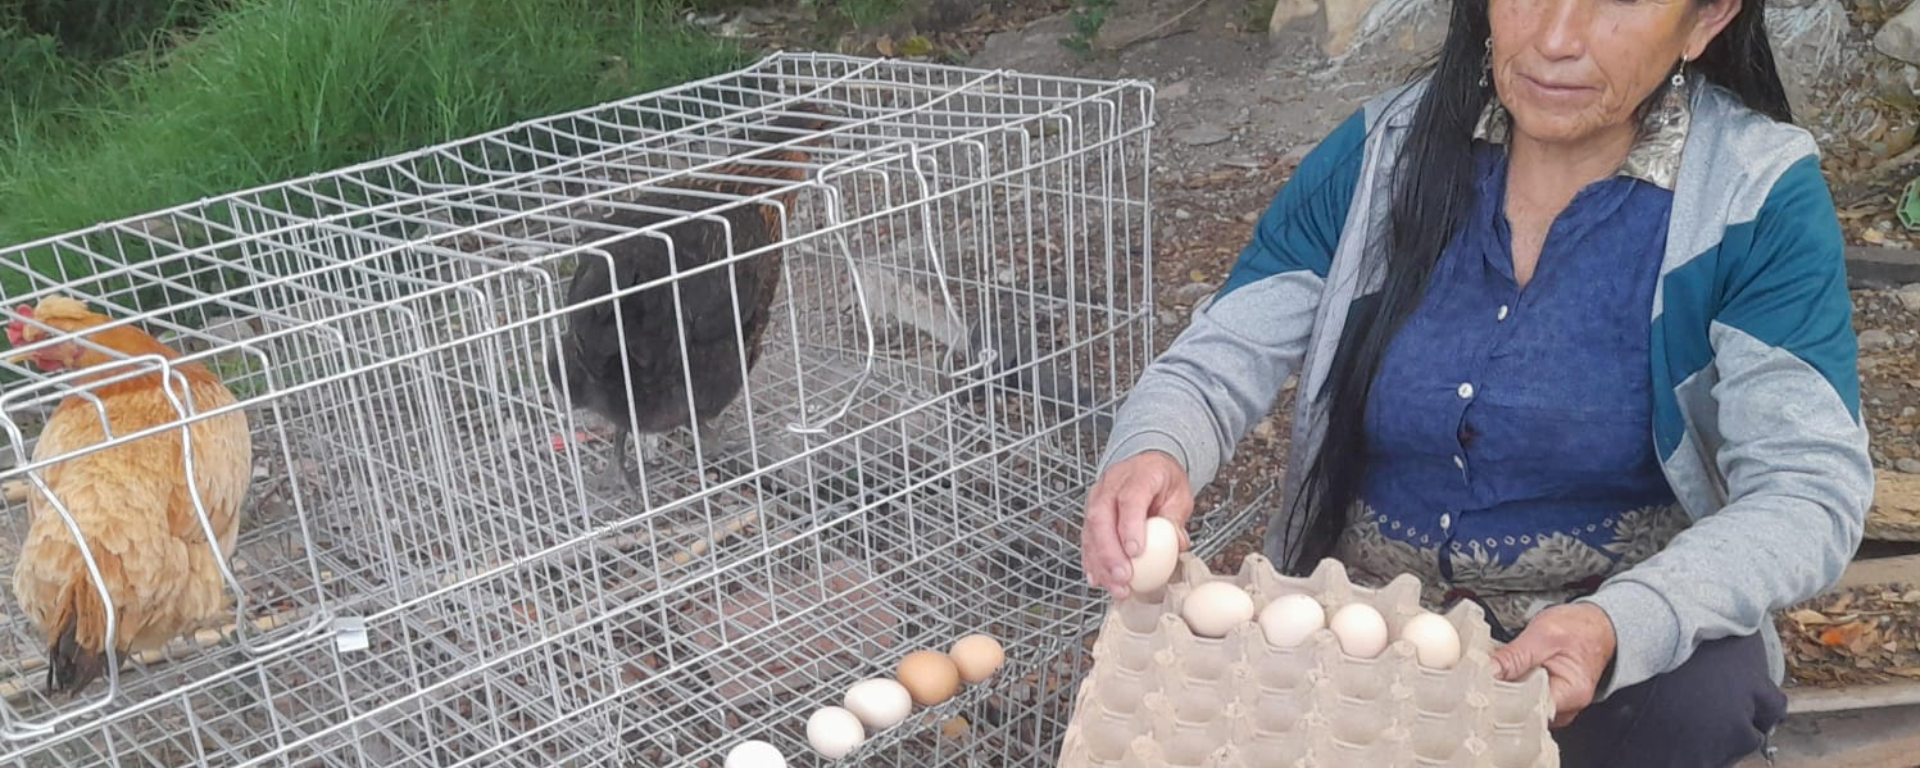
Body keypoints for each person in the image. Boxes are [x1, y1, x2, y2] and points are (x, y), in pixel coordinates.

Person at [1077, 0, 1876, 763]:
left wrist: (1620, 622)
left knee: (1699, 698)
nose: (1557, 38)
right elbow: (1223, 350)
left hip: (1602, 645)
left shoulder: (1750, 195)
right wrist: (1158, 446)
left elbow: (1807, 489)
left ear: (1705, 20)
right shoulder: (1383, 152)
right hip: (1366, 626)